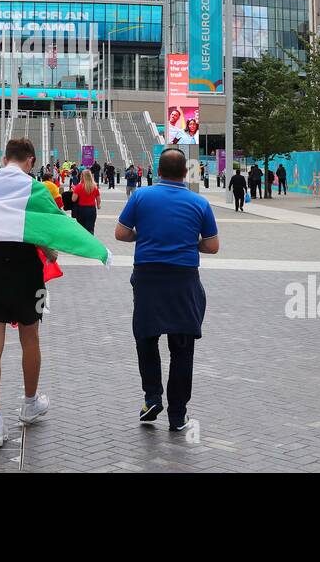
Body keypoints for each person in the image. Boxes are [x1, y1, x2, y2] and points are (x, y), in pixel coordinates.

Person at [115, 148, 219, 432]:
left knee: (146, 339)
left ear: (157, 172)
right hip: (183, 280)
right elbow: (212, 246)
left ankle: (151, 397)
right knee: (182, 350)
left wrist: (144, 235)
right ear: (185, 173)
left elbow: (121, 233)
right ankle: (178, 415)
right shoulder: (199, 203)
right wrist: (189, 242)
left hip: (148, 277)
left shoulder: (140, 196)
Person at [0, 137, 58, 448]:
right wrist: (48, 251)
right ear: (31, 161)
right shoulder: (34, 188)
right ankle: (29, 403)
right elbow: (49, 228)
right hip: (28, 275)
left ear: (4, 157)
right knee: (30, 338)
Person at [72, 168, 101, 234]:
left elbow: (74, 199)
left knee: (81, 228)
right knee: (90, 227)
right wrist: (98, 205)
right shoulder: (94, 186)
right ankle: (90, 240)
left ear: (82, 176)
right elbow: (98, 198)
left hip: (81, 210)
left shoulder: (78, 187)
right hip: (92, 209)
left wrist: (74, 190)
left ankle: (82, 242)